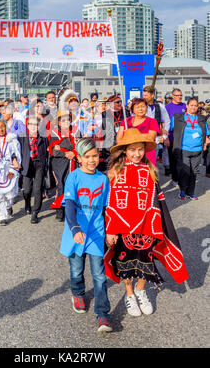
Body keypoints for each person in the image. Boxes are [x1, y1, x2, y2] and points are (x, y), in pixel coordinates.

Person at [104, 128, 188, 317]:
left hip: (145, 226)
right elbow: (111, 204)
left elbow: (156, 202)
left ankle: (141, 291)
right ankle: (130, 294)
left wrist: (155, 226)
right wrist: (111, 230)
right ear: (125, 150)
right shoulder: (115, 172)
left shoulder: (150, 170)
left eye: (140, 149)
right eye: (132, 150)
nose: (137, 154)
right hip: (123, 227)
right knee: (125, 262)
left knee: (145, 260)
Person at [60, 138, 112, 333]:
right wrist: (74, 228)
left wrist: (111, 231)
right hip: (76, 233)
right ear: (79, 158)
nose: (92, 160)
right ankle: (78, 293)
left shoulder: (103, 179)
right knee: (76, 269)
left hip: (97, 232)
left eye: (95, 156)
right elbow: (70, 204)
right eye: (87, 156)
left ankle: (102, 314)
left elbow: (107, 208)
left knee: (99, 274)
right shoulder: (73, 177)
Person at [170, 97, 210, 200]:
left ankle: (191, 192)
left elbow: (206, 133)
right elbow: (170, 129)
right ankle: (183, 190)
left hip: (197, 150)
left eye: (195, 105)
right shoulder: (178, 117)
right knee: (185, 172)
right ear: (187, 106)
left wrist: (205, 143)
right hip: (184, 149)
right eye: (191, 105)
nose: (193, 107)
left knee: (194, 172)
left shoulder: (201, 118)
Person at [49, 110, 80, 221]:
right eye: (63, 120)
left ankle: (71, 211)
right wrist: (67, 152)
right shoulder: (55, 133)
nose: (66, 122)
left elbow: (80, 147)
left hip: (74, 162)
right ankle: (60, 210)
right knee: (61, 186)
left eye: (68, 119)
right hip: (59, 164)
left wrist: (73, 152)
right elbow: (53, 151)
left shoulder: (76, 131)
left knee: (72, 186)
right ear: (59, 123)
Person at [18, 116, 49, 223]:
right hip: (27, 163)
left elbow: (47, 151)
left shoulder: (43, 137)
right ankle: (27, 203)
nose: (33, 127)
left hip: (39, 163)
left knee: (38, 188)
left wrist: (47, 165)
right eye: (31, 124)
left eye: (35, 124)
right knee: (26, 189)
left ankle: (35, 212)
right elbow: (16, 149)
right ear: (27, 125)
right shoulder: (22, 136)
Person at [116, 98, 160, 165]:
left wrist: (130, 134)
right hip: (130, 155)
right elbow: (119, 139)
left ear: (146, 108)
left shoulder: (152, 121)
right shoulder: (126, 121)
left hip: (147, 155)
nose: (140, 109)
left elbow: (150, 137)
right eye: (137, 107)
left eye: (143, 106)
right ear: (132, 109)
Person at [165, 88, 186, 182]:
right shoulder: (167, 107)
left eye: (181, 95)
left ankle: (182, 178)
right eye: (177, 95)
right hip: (172, 138)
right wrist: (166, 138)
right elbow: (164, 124)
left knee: (182, 160)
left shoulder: (185, 106)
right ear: (173, 96)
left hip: (184, 138)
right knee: (173, 160)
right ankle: (175, 179)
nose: (180, 97)